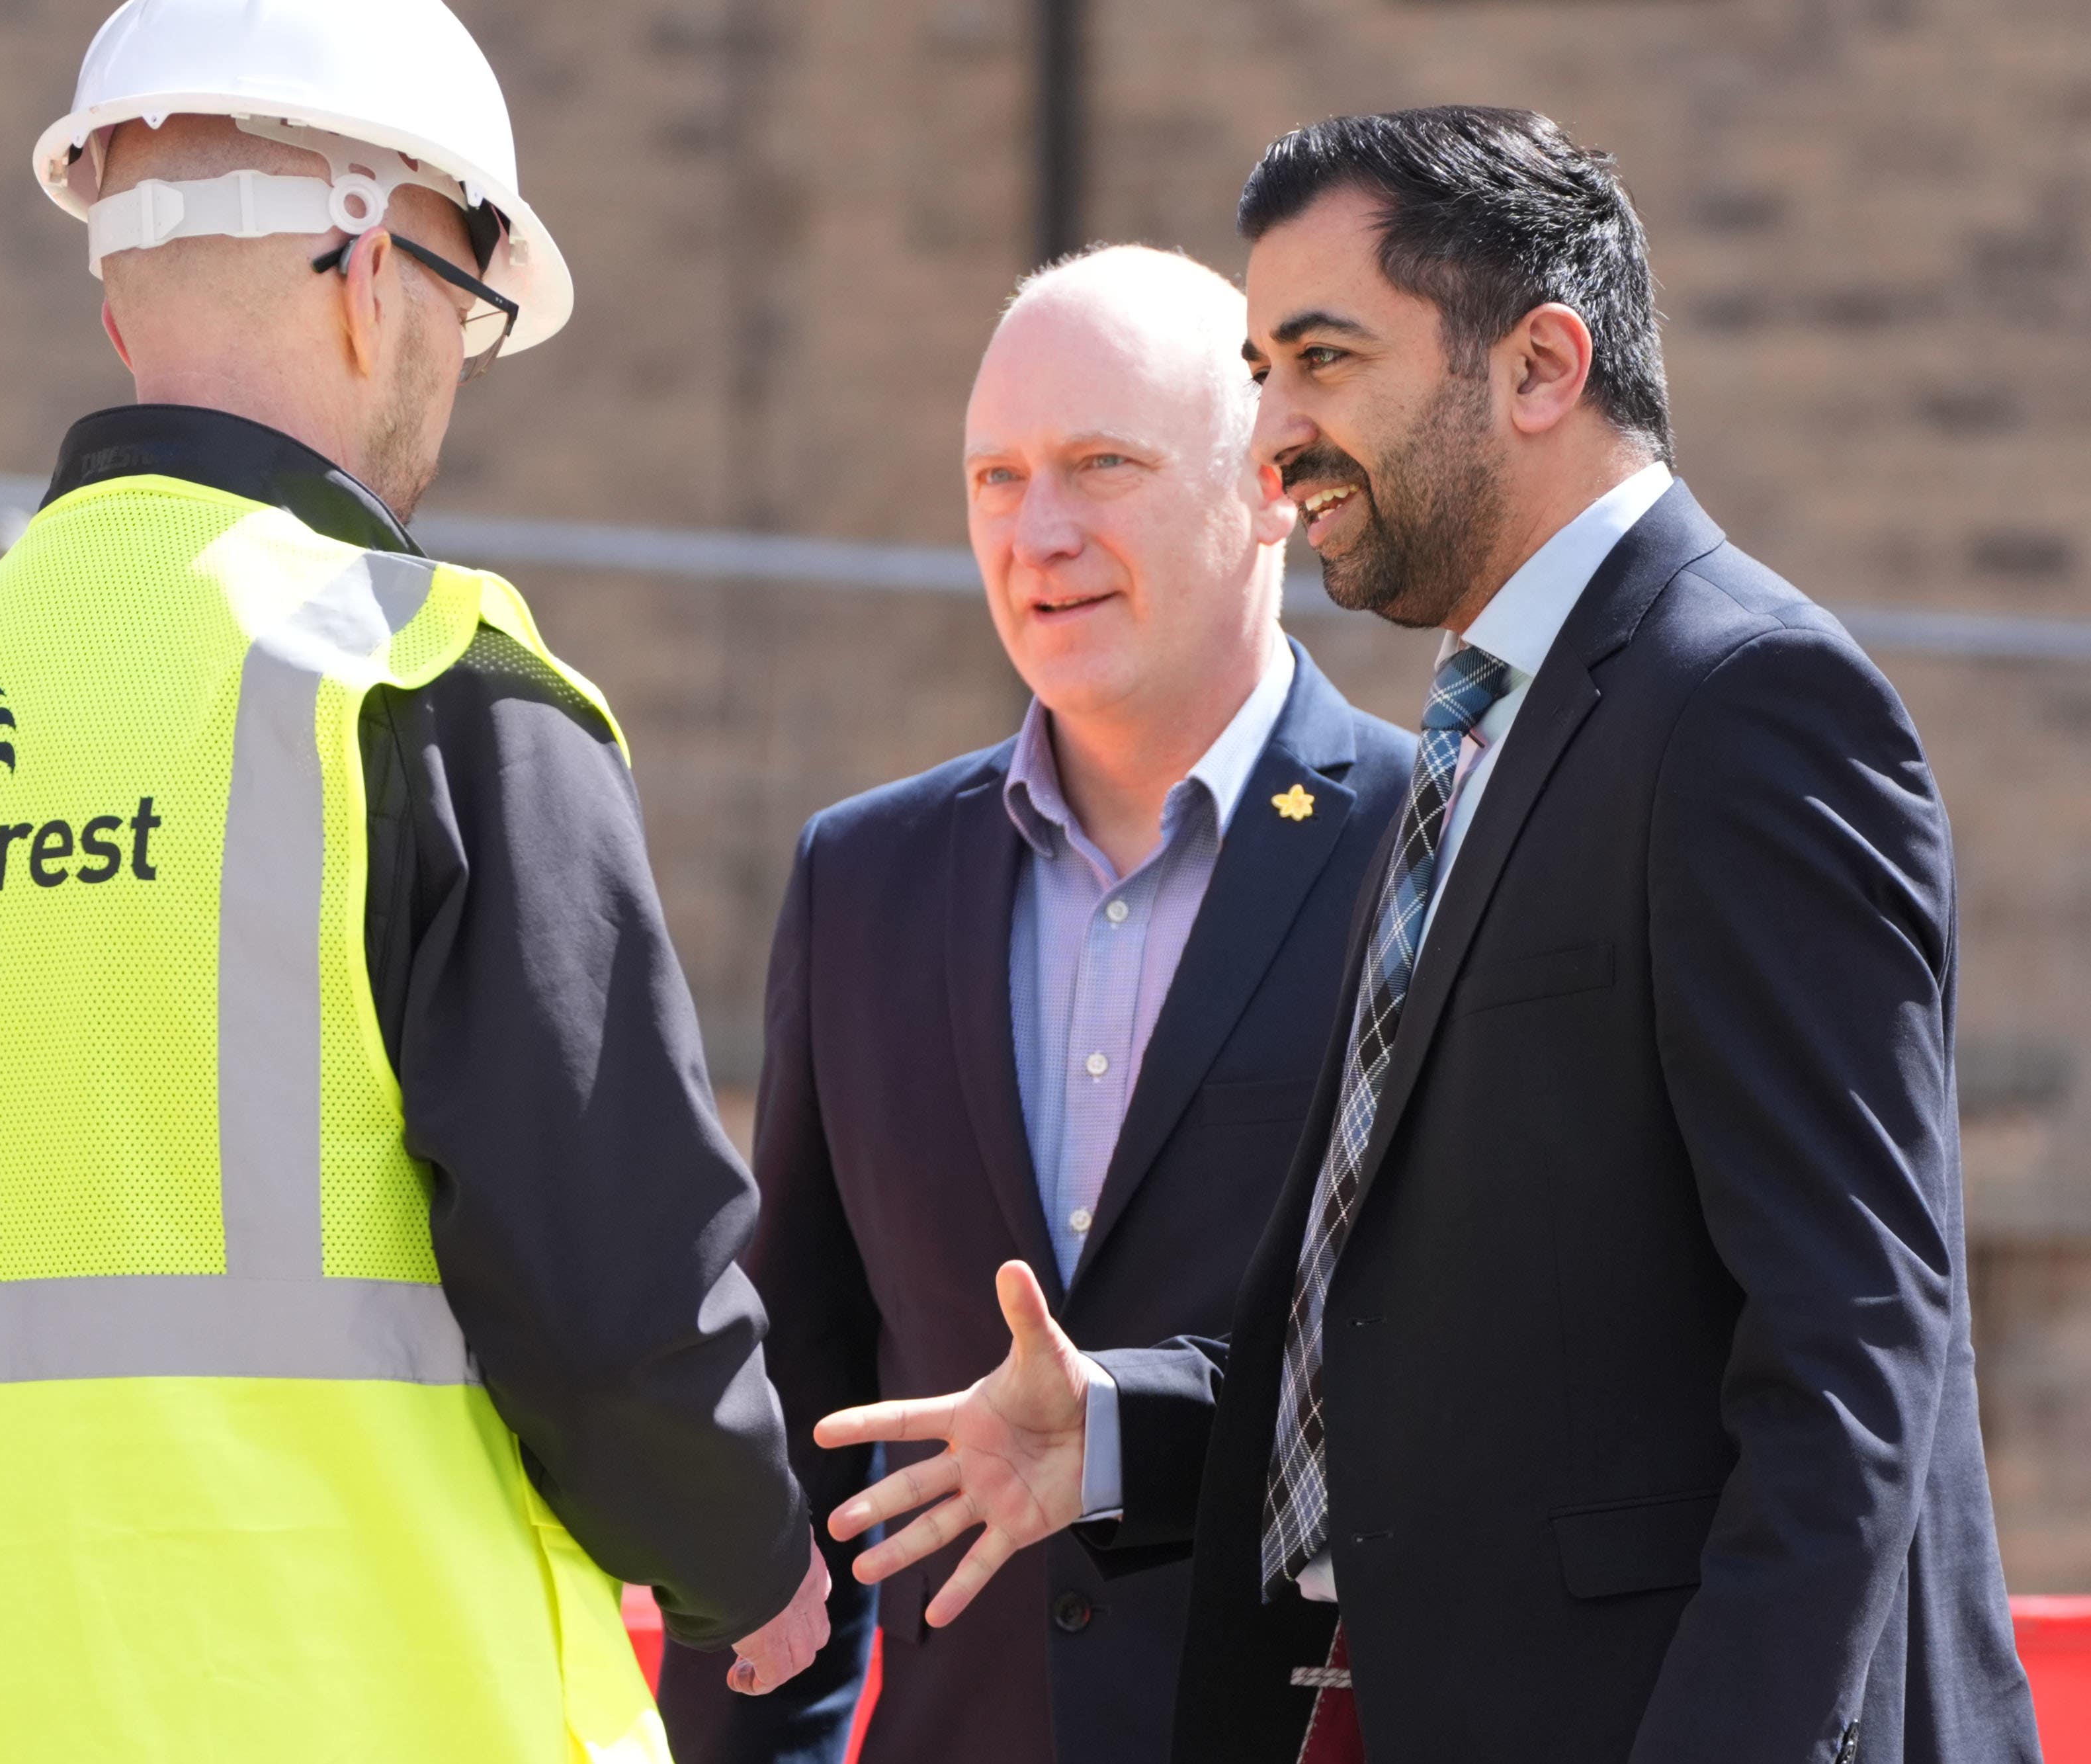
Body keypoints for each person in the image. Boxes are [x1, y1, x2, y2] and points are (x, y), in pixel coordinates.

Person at [817, 106, 2042, 1764]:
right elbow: (1456, 1340)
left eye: (1322, 361)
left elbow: (1847, 1358)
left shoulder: (1749, 706)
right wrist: (1121, 1433)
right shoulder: (1478, 740)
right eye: (1260, 370)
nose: (1273, 437)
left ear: (1540, 365)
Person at [0, 3, 824, 1761]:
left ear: (117, 298)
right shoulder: (421, 685)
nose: (452, 357)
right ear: (371, 272)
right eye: (462, 304)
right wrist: (754, 1558)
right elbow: (616, 1291)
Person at [657, 247, 1412, 1764]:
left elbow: (1470, 1371)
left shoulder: (1433, 848)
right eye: (993, 477)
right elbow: (798, 1413)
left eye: (1100, 465)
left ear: (1272, 481)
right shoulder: (861, 877)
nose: (1037, 531)